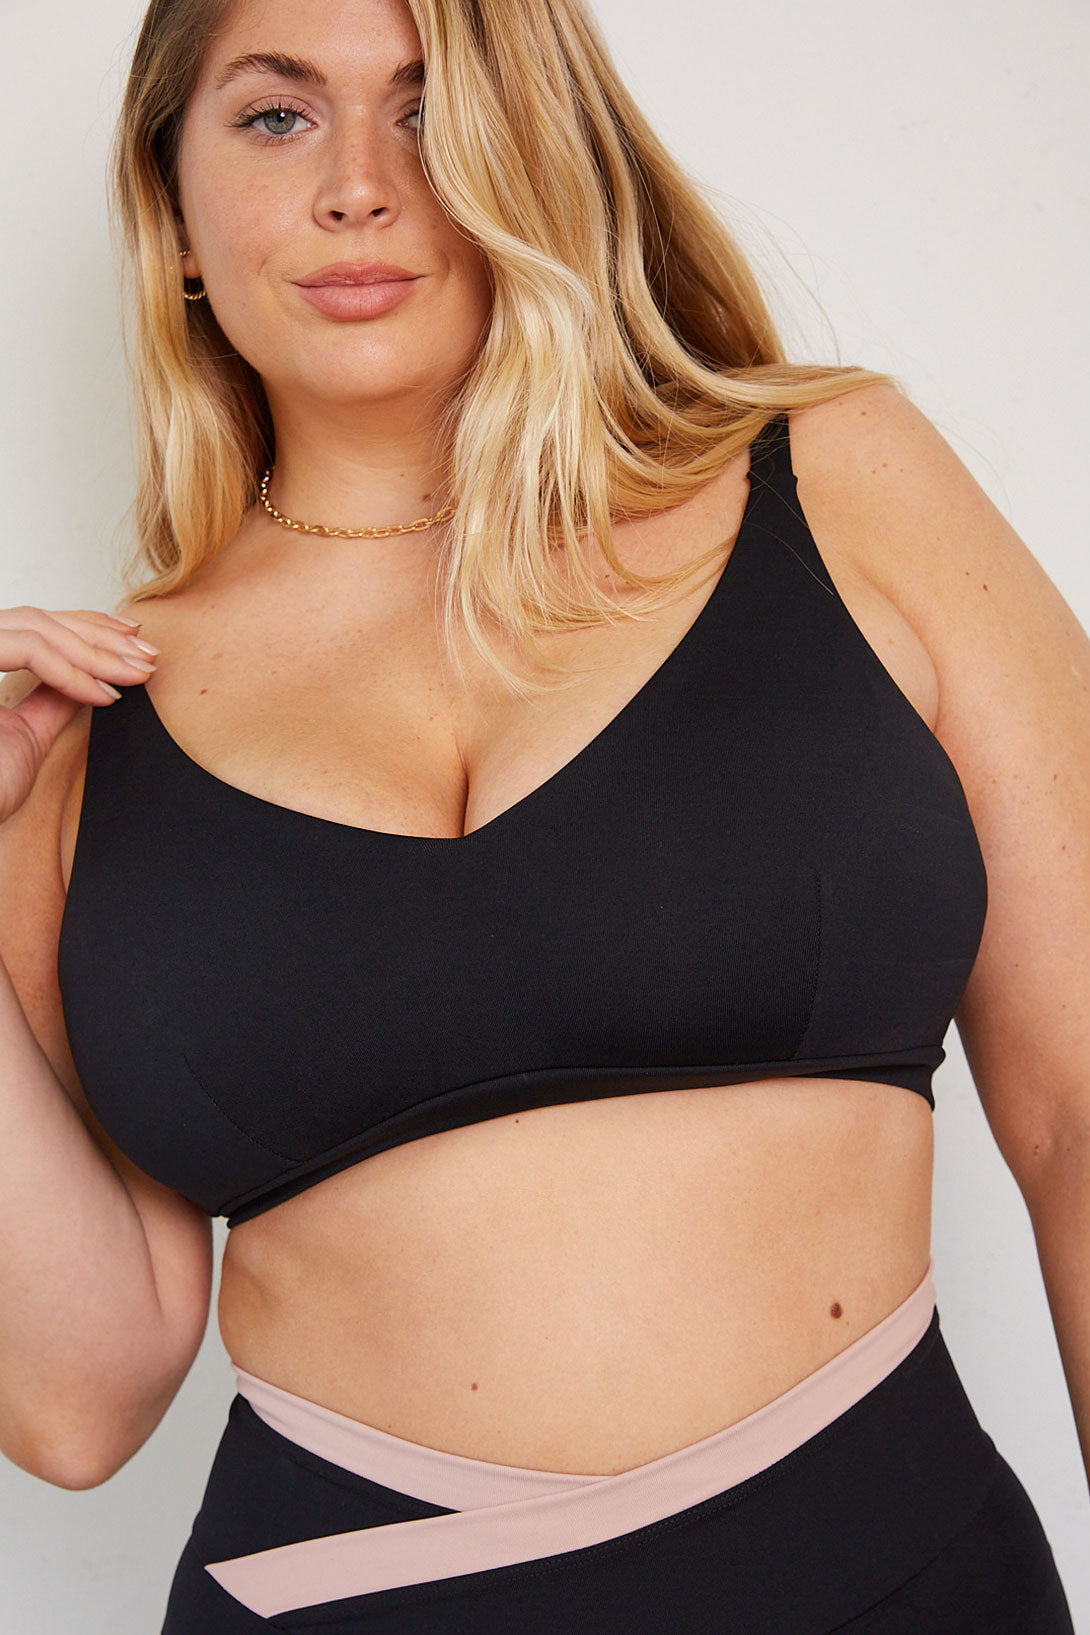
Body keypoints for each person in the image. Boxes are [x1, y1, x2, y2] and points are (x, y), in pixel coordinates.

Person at [0, 0, 1083, 1628]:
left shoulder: (833, 480)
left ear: (544, 151)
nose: (357, 185)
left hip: (899, 1580)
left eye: (430, 110)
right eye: (276, 117)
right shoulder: (85, 728)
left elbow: (1076, 1112)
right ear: (173, 212)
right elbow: (74, 1402)